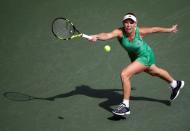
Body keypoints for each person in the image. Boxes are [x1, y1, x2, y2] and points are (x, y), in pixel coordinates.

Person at [88, 12, 185, 116]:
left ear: (135, 24)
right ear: (123, 23)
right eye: (126, 22)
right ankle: (175, 84)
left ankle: (125, 106)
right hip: (136, 57)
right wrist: (96, 36)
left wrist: (170, 29)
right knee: (154, 71)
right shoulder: (119, 32)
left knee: (125, 74)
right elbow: (107, 35)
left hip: (145, 55)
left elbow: (154, 29)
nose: (128, 24)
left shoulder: (140, 31)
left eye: (131, 22)